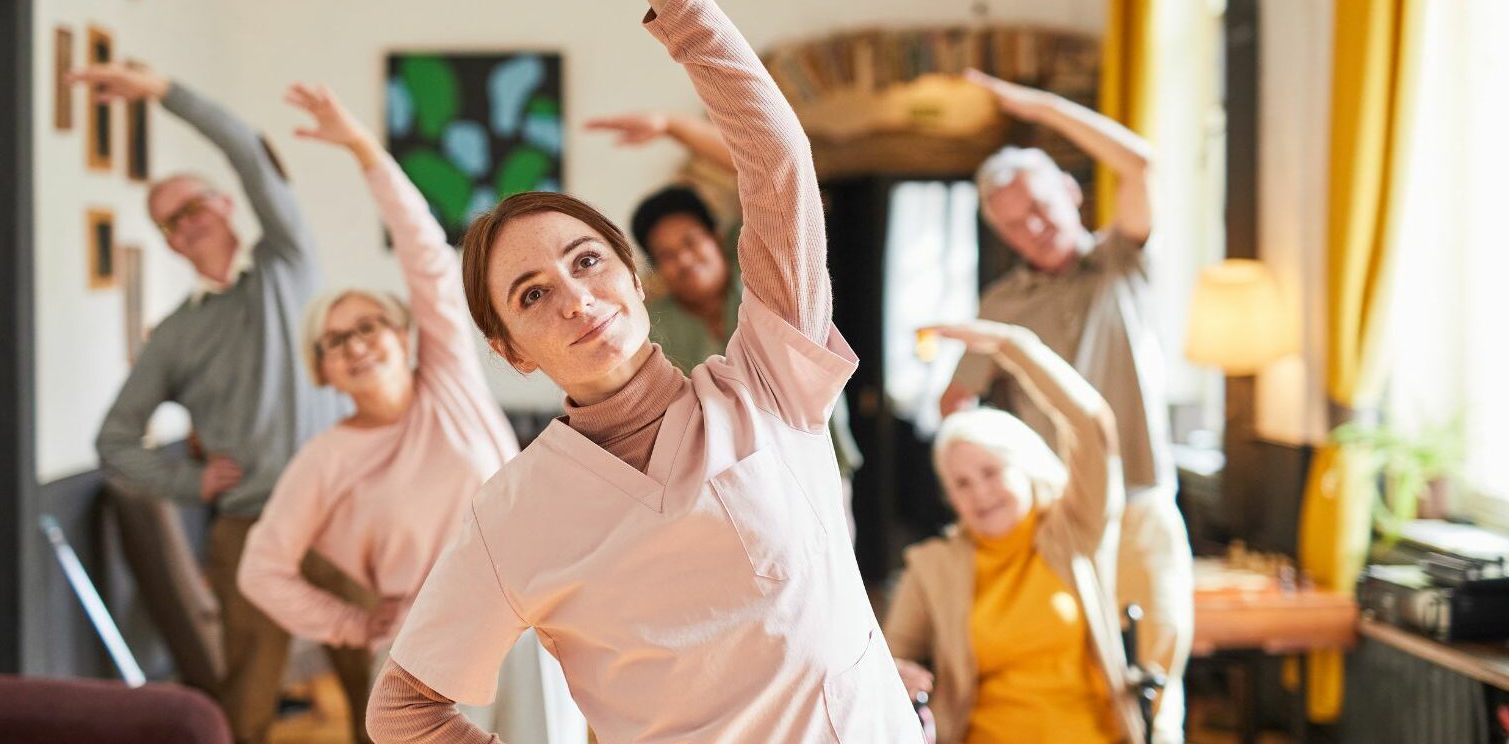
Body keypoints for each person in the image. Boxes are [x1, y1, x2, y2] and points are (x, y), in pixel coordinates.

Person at [364, 1, 922, 741]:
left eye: (587, 261)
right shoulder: (511, 515)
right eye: (533, 294)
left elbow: (778, 161)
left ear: (635, 280)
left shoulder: (766, 382)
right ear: (512, 350)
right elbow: (403, 710)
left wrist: (688, 16)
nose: (575, 298)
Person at [235, 84, 583, 744]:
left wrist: (365, 148)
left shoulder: (447, 383)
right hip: (425, 648)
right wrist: (353, 624)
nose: (358, 342)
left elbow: (425, 252)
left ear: (404, 336)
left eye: (370, 325)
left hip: (525, 618)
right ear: (323, 370)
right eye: (337, 340)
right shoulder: (324, 459)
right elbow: (262, 569)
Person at [78, 64, 356, 744]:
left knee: (383, 690)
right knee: (247, 711)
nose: (185, 225)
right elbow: (113, 442)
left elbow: (246, 150)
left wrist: (161, 93)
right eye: (171, 222)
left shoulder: (287, 266)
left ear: (228, 206)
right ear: (168, 241)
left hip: (338, 520)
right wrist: (189, 481)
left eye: (195, 206)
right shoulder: (174, 335)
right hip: (245, 534)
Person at [939, 69, 1193, 743]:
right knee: (1076, 689)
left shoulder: (1121, 262)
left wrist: (1040, 108)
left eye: (1042, 206)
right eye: (1014, 222)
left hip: (1140, 504)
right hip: (1055, 525)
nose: (1034, 226)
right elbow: (958, 405)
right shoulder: (1000, 306)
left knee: (1153, 696)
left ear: (1072, 192)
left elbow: (1140, 163)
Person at [587, 112, 865, 535]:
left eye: (689, 242)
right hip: (728, 492)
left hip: (816, 460)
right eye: (666, 254)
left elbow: (767, 172)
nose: (683, 259)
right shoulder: (656, 326)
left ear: (715, 238)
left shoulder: (758, 275)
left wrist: (673, 128)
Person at [887, 321, 1147, 744]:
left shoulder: (1074, 531)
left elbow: (1093, 426)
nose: (980, 494)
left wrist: (1016, 346)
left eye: (991, 472)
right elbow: (890, 658)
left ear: (1024, 468)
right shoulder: (932, 566)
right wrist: (899, 672)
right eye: (962, 484)